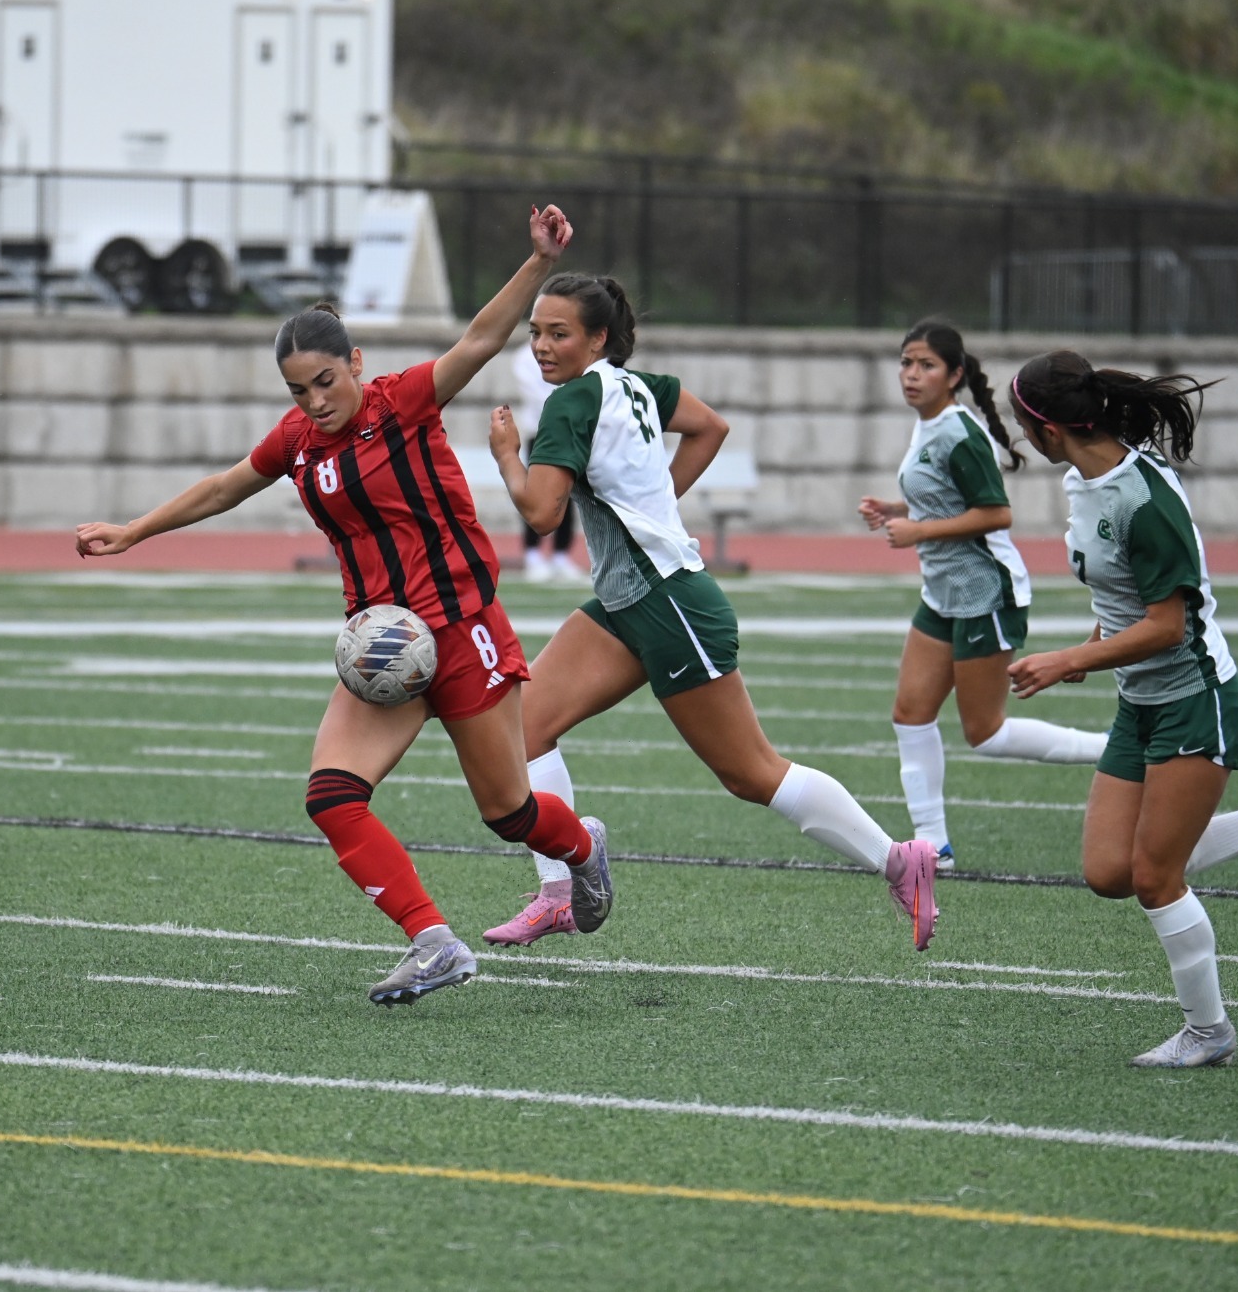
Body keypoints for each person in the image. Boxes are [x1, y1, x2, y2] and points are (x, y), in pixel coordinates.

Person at [76, 204, 614, 1005]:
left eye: (326, 382)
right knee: (331, 795)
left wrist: (538, 262)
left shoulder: (403, 402)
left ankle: (582, 847)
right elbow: (226, 486)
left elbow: (477, 341)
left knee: (508, 813)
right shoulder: (298, 440)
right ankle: (434, 943)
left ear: (355, 363)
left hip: (461, 628)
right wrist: (134, 530)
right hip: (384, 648)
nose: (316, 401)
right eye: (299, 390)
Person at [483, 273, 941, 950]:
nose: (543, 347)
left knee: (751, 772)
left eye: (560, 334)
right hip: (629, 601)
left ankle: (899, 860)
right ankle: (559, 893)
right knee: (524, 730)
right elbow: (709, 426)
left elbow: (543, 514)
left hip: (669, 603)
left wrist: (506, 457)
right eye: (535, 333)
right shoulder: (637, 385)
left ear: (598, 338)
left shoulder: (572, 402)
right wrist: (657, 504)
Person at [1006, 351, 1238, 1068]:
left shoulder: (1144, 498)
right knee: (1109, 872)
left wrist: (1067, 660)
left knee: (1157, 878)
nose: (1020, 436)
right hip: (1140, 702)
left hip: (1196, 700)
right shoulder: (1081, 481)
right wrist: (1094, 646)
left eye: (1021, 424)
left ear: (1048, 429)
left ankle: (1209, 1032)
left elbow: (1166, 625)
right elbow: (1122, 594)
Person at [858, 319, 1107, 866]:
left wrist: (919, 531)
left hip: (985, 596)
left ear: (954, 376)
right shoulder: (928, 425)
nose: (912, 374)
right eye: (906, 363)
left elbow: (996, 513)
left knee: (986, 732)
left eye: (926, 365)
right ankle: (933, 848)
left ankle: (1113, 749)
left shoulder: (958, 432)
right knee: (909, 713)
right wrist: (898, 508)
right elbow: (947, 495)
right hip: (942, 595)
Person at [508, 340, 585, 583]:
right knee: (535, 493)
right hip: (539, 432)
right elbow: (538, 395)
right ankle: (532, 554)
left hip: (568, 433)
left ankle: (561, 555)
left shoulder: (570, 350)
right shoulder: (524, 356)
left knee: (568, 494)